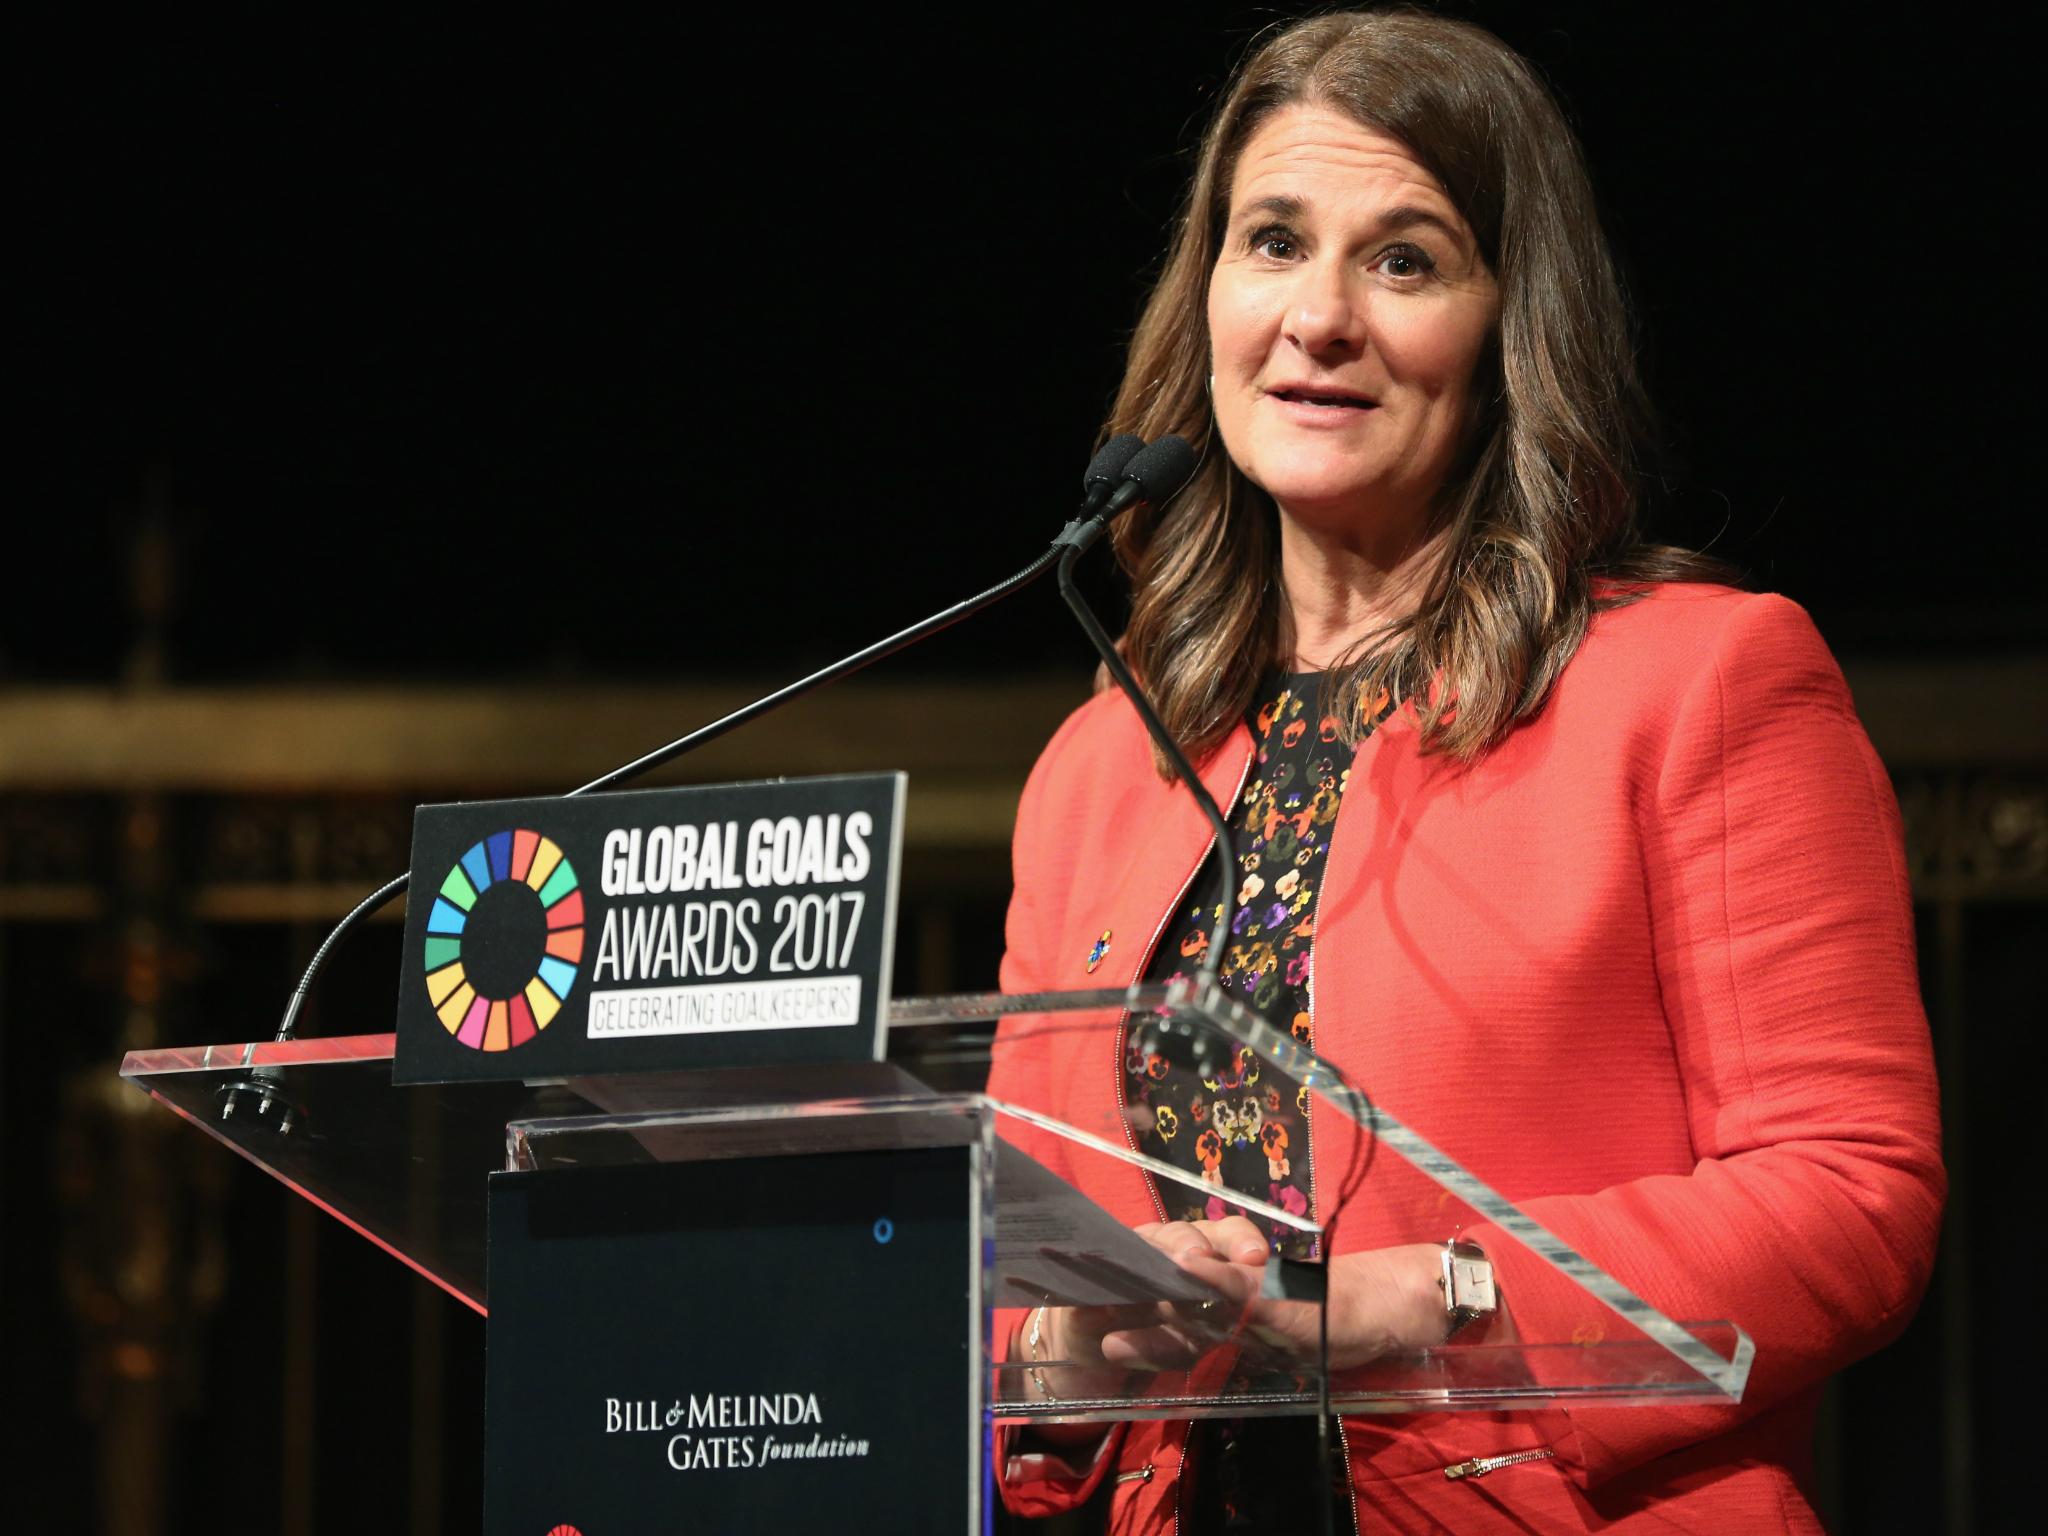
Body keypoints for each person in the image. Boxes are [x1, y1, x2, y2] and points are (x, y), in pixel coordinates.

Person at [983, 9, 1944, 1533]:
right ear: (1210, 291)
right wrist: (1056, 1350)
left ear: (1510, 329)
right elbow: (1014, 1267)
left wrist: (1433, 1300)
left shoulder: (1698, 681)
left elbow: (1851, 1196)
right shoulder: (1101, 765)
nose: (1320, 319)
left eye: (1407, 260)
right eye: (1275, 242)